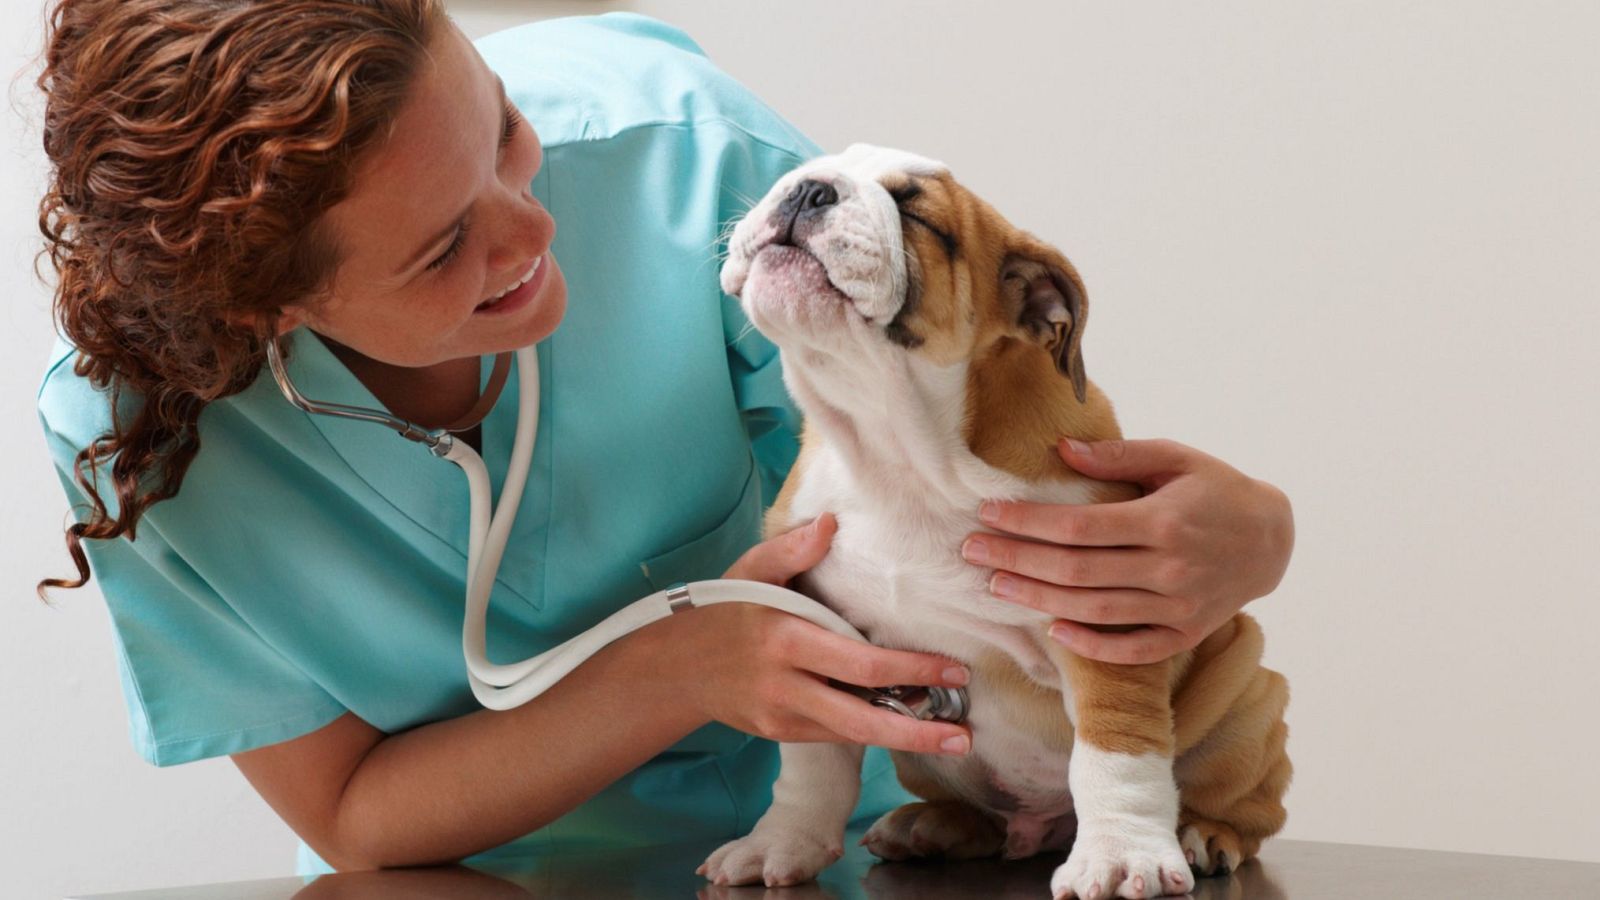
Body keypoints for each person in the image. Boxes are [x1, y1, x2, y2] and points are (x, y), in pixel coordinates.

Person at [31, 1, 1294, 877]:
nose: (529, 228)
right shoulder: (142, 435)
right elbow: (355, 818)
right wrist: (679, 672)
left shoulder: (679, 154)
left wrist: (1250, 532)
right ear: (268, 311)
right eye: (440, 251)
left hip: (841, 853)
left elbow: (981, 445)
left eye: (506, 137)